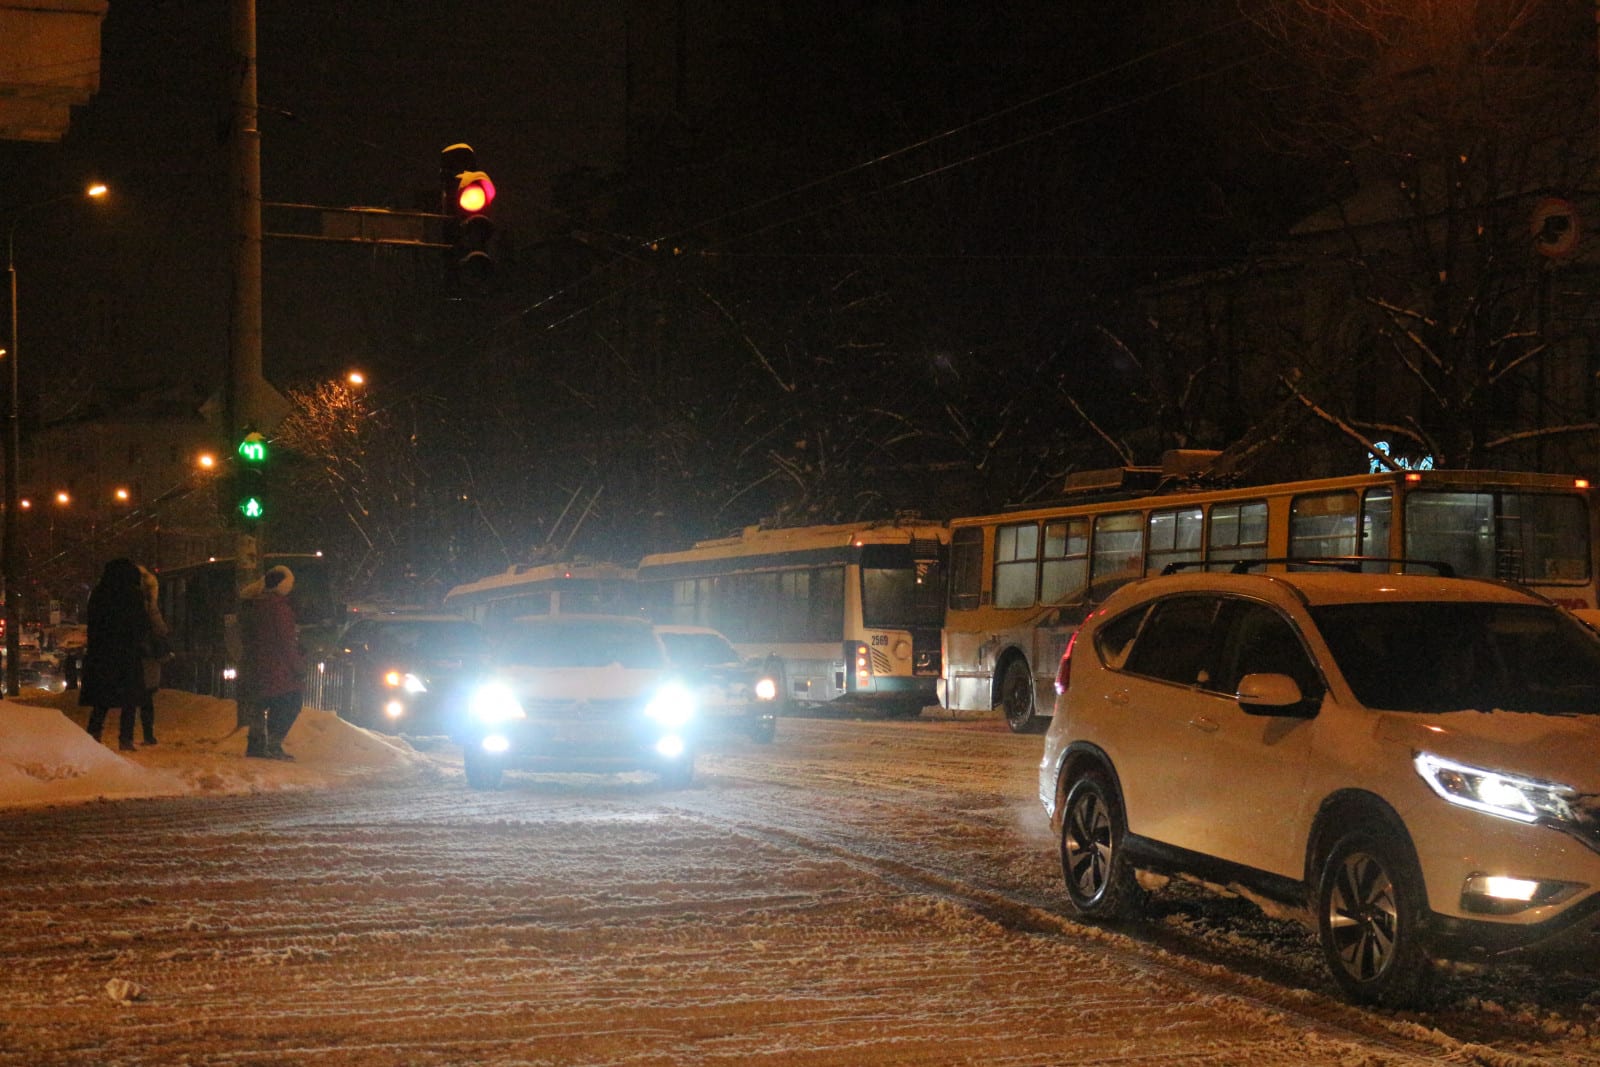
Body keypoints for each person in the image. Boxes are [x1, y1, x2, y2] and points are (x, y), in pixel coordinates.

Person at [79, 558, 152, 752]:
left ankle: (93, 735)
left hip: (102, 654)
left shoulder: (100, 593)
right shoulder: (133, 594)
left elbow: (93, 623)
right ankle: (125, 739)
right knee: (129, 700)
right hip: (127, 653)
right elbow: (141, 623)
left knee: (102, 700)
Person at [238, 564, 304, 760]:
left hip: (255, 663)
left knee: (261, 702)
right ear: (284, 586)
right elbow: (286, 642)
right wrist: (298, 666)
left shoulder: (254, 605)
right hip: (278, 667)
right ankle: (274, 744)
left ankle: (257, 745)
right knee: (291, 701)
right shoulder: (279, 608)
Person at [136, 565, 173, 746]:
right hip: (147, 657)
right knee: (146, 698)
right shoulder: (150, 607)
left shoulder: (123, 606)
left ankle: (125, 736)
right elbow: (161, 629)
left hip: (132, 655)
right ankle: (148, 735)